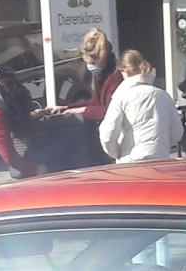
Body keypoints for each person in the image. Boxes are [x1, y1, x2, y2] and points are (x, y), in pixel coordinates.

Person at [30, 26, 120, 170]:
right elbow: (94, 103)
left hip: (114, 142)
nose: (89, 67)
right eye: (87, 63)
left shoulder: (115, 76)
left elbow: (109, 111)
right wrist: (67, 108)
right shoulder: (101, 74)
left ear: (101, 59)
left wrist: (82, 110)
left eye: (91, 63)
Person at [98, 49, 180, 165]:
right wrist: (161, 145)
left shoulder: (121, 97)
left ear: (124, 71)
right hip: (161, 159)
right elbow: (176, 133)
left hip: (130, 160)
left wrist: (116, 153)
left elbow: (108, 134)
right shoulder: (164, 96)